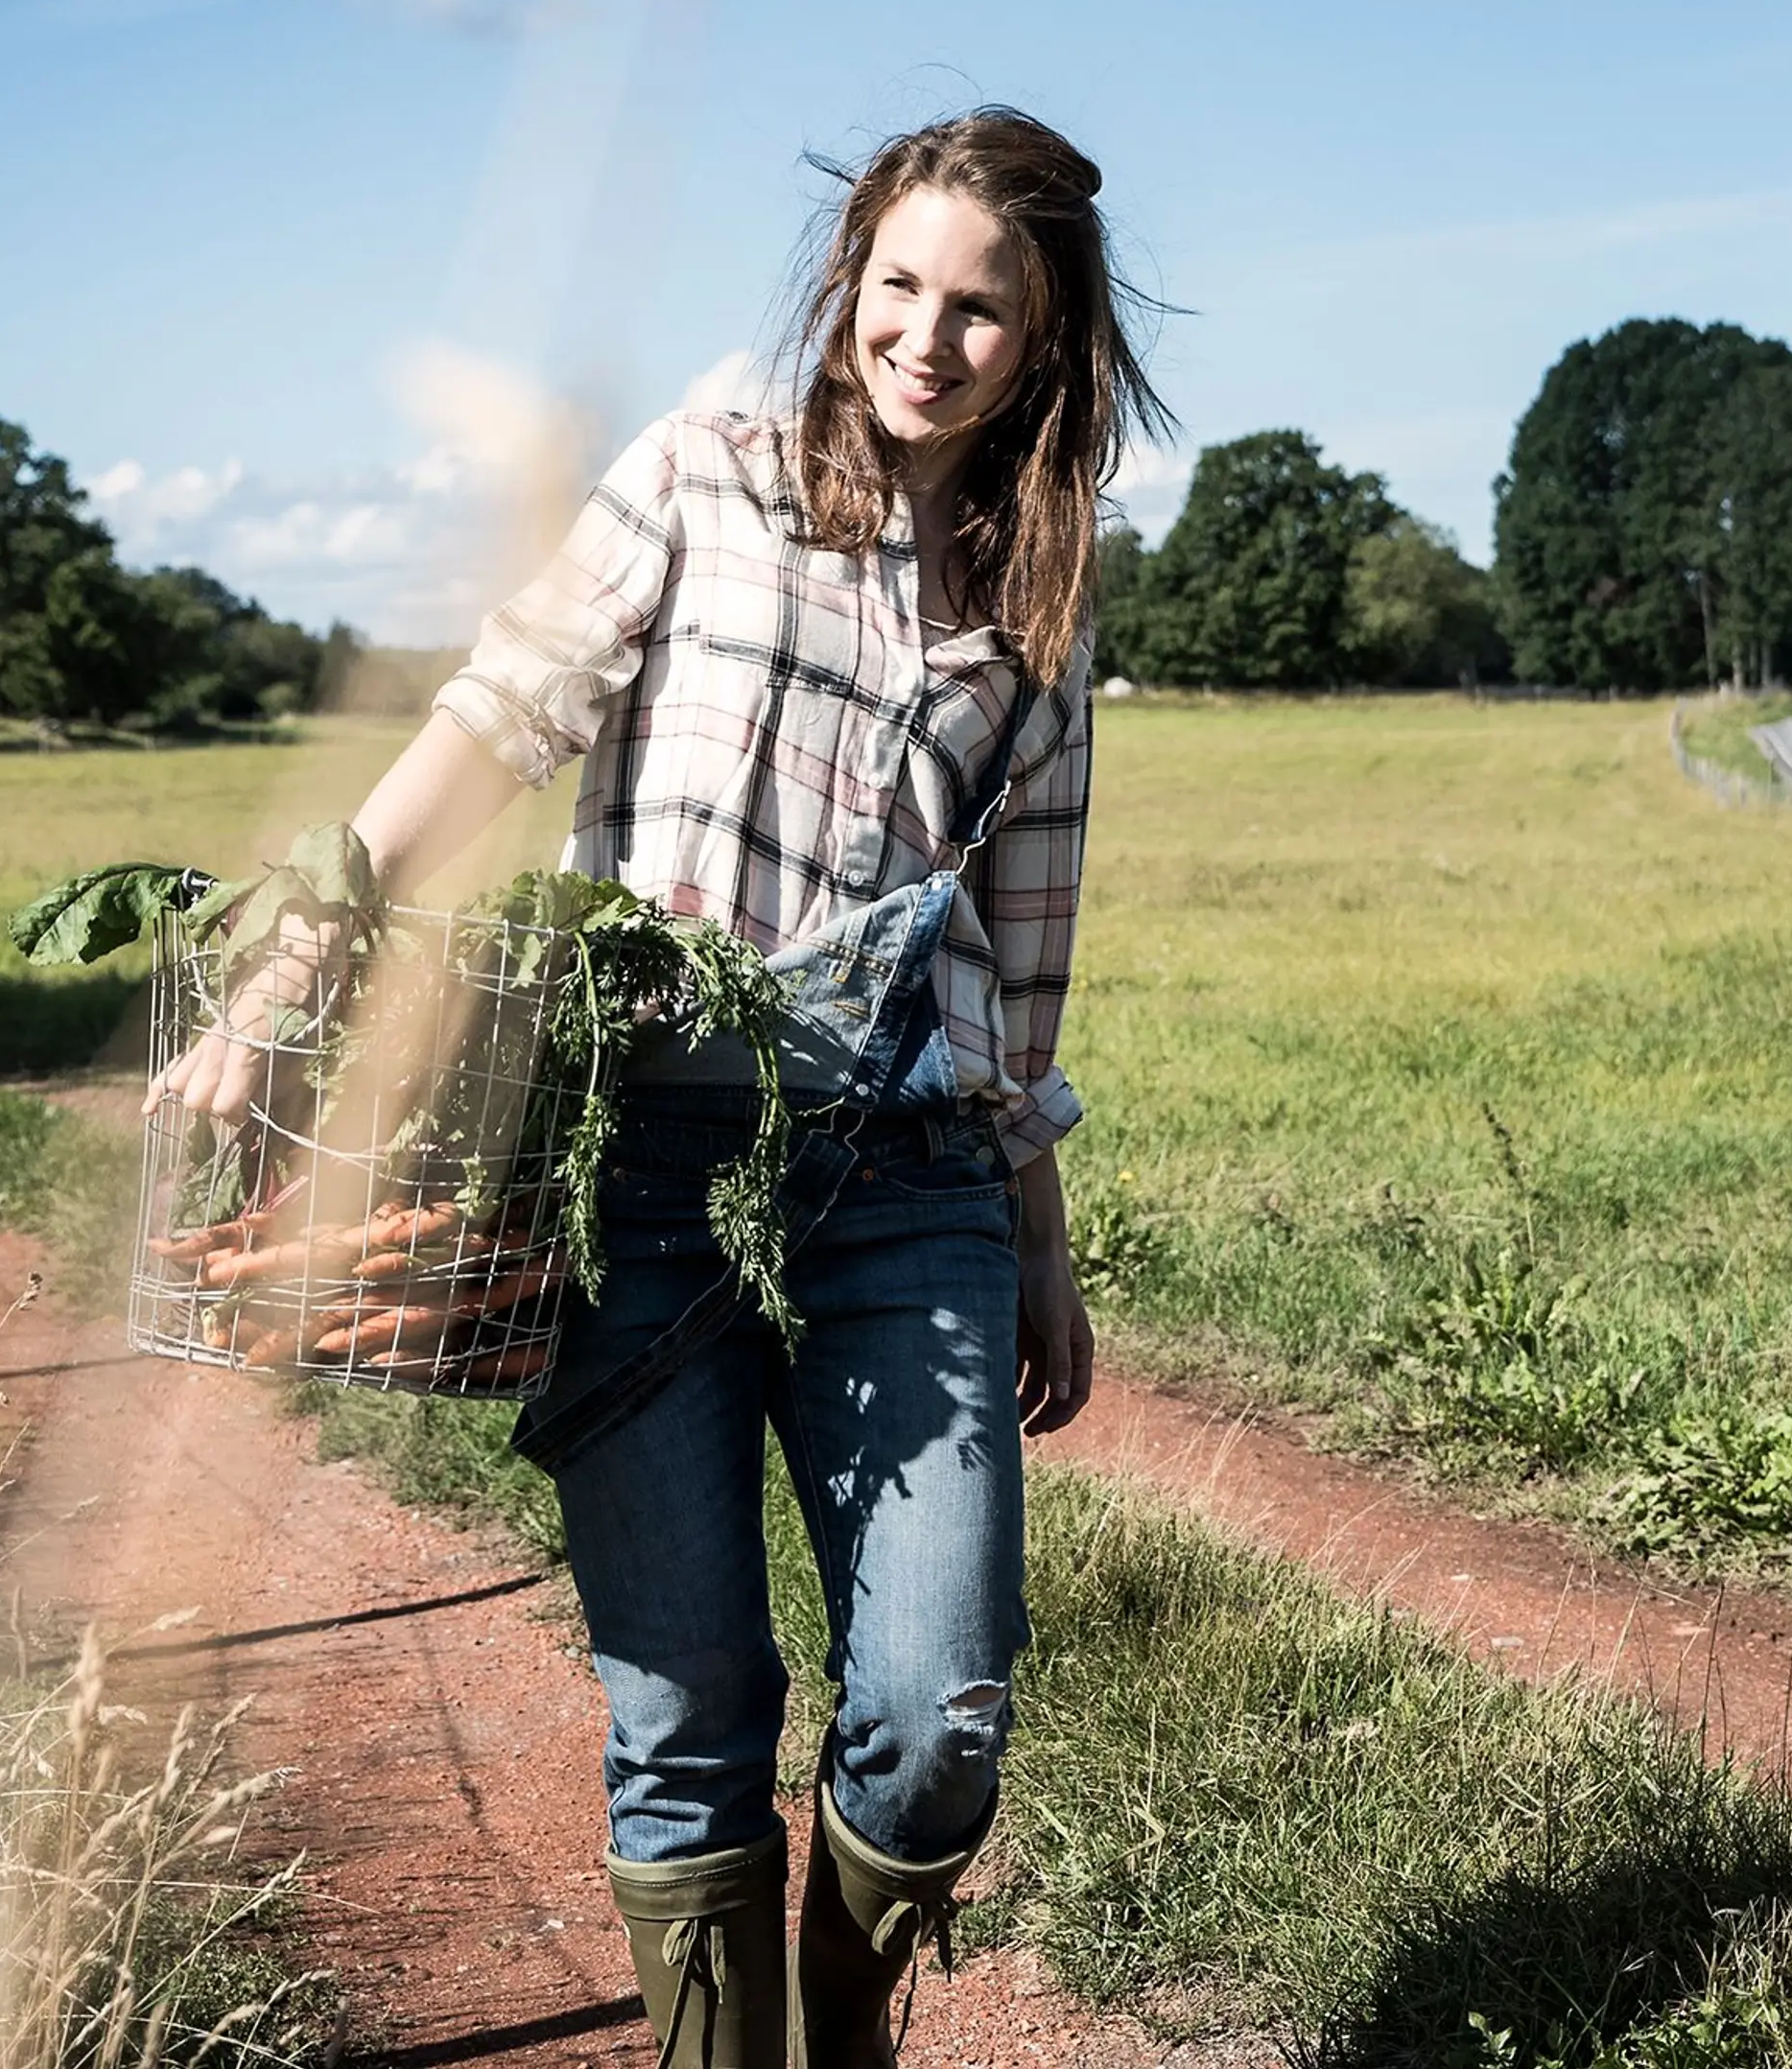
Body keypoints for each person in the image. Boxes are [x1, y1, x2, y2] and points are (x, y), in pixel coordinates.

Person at [148, 107, 1161, 2065]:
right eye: (900, 289)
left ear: (1043, 347)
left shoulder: (1039, 605)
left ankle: (841, 2017)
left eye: (980, 312)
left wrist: (1041, 1234)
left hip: (902, 1179)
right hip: (641, 1174)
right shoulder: (704, 476)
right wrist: (298, 959)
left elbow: (1020, 965)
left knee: (939, 1712)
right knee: (690, 1708)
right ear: (847, 280)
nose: (927, 340)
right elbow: (504, 708)